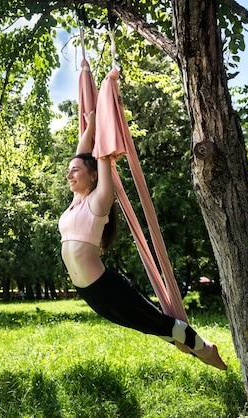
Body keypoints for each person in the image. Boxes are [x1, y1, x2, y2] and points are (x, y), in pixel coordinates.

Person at [59, 111, 227, 370]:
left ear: (93, 175)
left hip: (106, 287)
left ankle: (205, 348)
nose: (69, 175)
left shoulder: (99, 201)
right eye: (68, 171)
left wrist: (102, 131)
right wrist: (91, 124)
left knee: (157, 322)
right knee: (147, 324)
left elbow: (98, 159)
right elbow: (82, 155)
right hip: (88, 292)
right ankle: (190, 344)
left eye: (75, 171)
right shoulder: (75, 204)